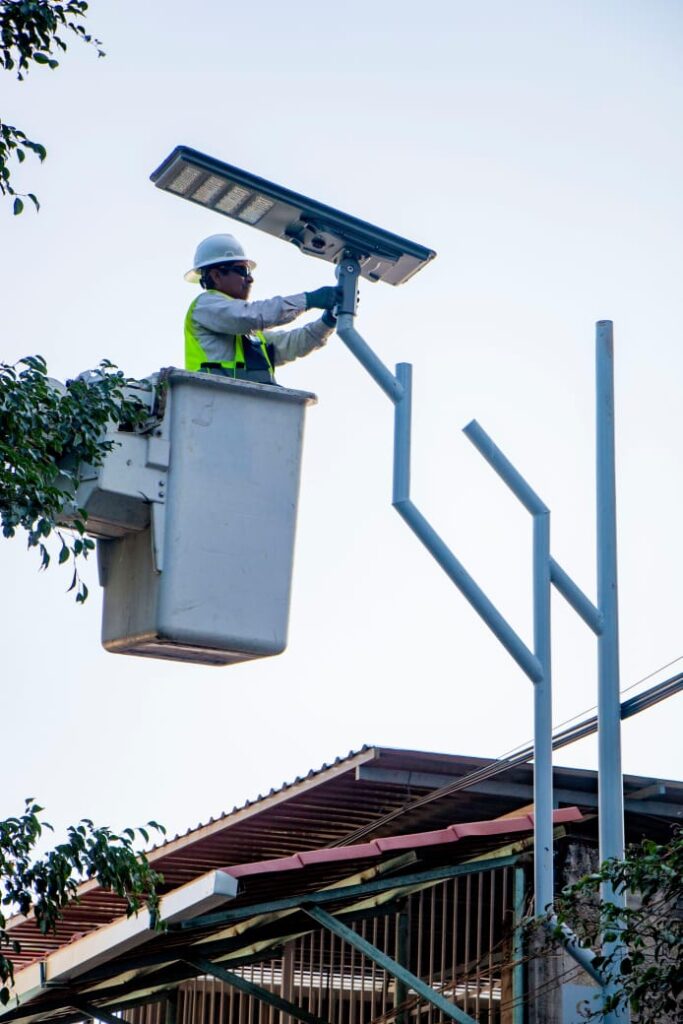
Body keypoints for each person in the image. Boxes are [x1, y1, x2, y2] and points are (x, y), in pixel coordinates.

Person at [184, 233, 339, 385]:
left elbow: (293, 344)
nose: (250, 279)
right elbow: (252, 316)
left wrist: (328, 321)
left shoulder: (251, 336)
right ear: (217, 275)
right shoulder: (205, 306)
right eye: (243, 271)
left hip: (243, 406)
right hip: (212, 404)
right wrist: (308, 300)